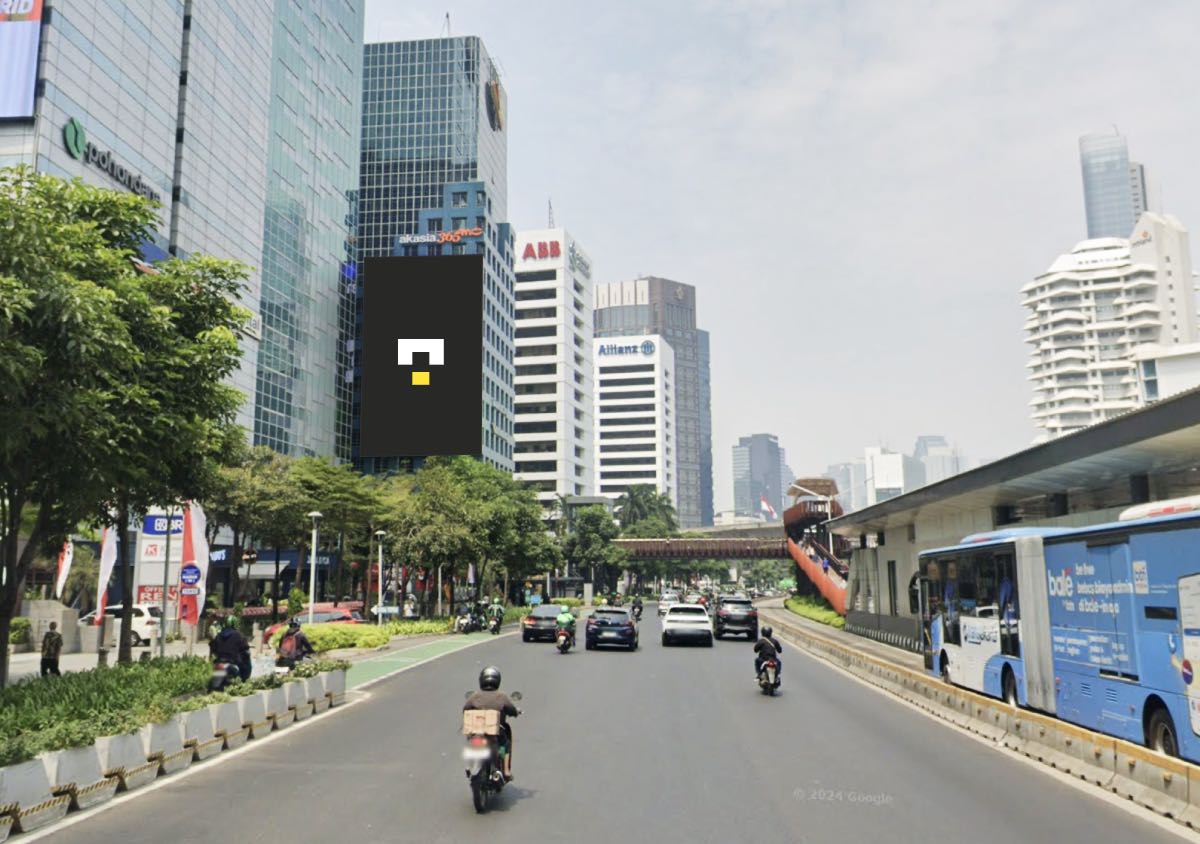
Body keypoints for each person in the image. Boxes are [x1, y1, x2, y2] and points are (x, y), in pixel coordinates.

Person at [463, 666, 520, 780]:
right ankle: (506, 771)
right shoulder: (502, 696)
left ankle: (470, 765)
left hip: (477, 730)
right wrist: (516, 712)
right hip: (496, 731)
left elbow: (465, 709)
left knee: (471, 740)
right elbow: (512, 710)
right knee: (505, 745)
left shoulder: (475, 696)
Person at [210, 616, 251, 682]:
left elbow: (213, 648)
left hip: (219, 663)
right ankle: (244, 679)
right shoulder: (239, 635)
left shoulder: (219, 635)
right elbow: (245, 650)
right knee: (246, 660)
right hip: (232, 663)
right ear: (235, 624)